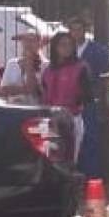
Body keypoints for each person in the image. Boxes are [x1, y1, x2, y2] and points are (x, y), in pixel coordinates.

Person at [66, 15, 109, 179]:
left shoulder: (97, 50)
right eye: (72, 30)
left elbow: (106, 77)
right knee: (70, 138)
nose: (75, 33)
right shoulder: (65, 50)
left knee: (90, 138)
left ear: (85, 31)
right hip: (68, 102)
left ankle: (92, 177)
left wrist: (101, 97)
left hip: (89, 101)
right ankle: (73, 175)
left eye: (79, 30)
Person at [41, 32, 94, 164]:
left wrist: (75, 99)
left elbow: (88, 96)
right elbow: (43, 93)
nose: (67, 48)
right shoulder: (48, 70)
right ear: (55, 48)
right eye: (63, 45)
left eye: (70, 45)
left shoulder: (81, 67)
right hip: (49, 120)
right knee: (48, 159)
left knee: (69, 160)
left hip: (71, 119)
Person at [0, 31, 47, 105]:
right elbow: (2, 90)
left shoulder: (46, 65)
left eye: (32, 40)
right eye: (25, 40)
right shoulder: (12, 63)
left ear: (40, 44)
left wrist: (29, 63)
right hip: (12, 106)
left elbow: (34, 90)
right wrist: (25, 89)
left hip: (34, 108)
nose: (28, 43)